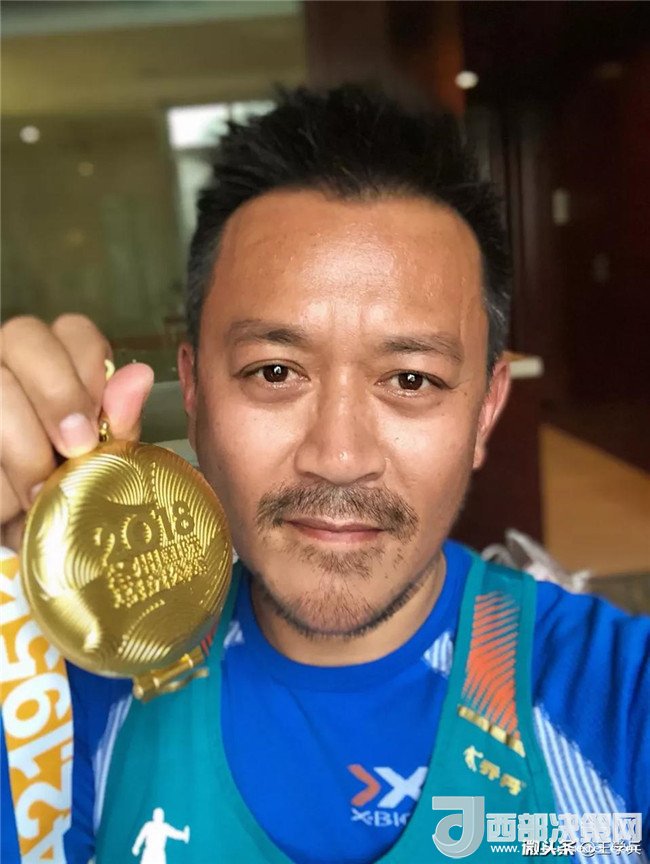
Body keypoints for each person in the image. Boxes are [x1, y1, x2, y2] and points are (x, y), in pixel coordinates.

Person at [1, 84, 648, 864]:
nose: (339, 456)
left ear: (485, 410)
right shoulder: (66, 688)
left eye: (411, 379)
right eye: (275, 371)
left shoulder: (613, 699)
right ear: (196, 391)